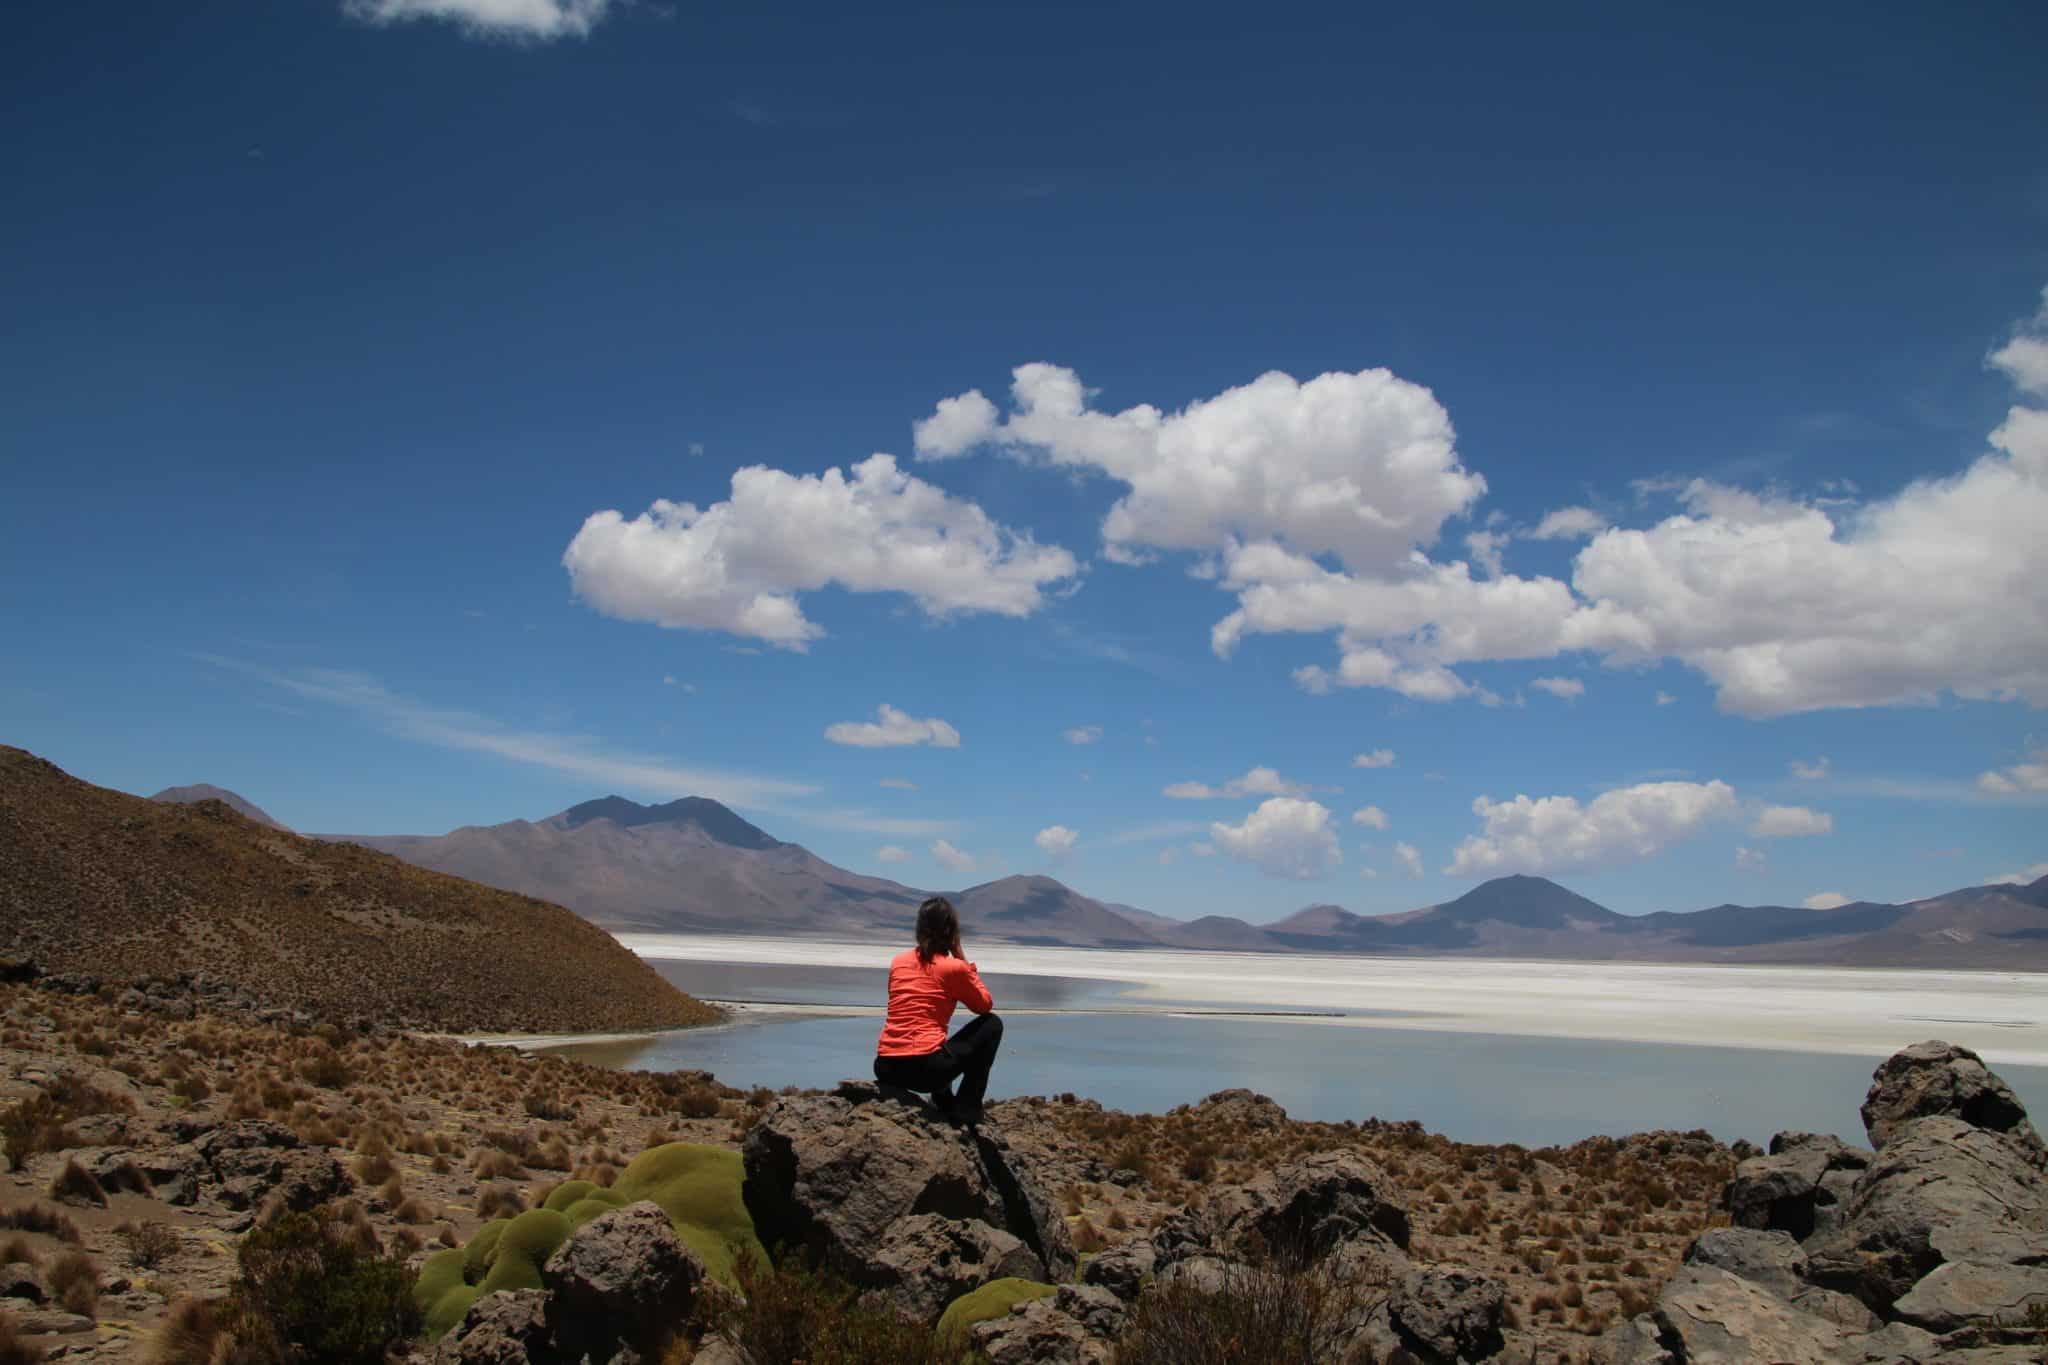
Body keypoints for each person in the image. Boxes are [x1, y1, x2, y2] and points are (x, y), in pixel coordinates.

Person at [874, 895, 1003, 1124]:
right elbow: (984, 1006)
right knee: (992, 1024)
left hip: (885, 1067)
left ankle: (944, 1100)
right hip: (925, 1072)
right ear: (951, 932)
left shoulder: (898, 962)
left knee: (935, 1041)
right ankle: (967, 1106)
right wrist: (962, 957)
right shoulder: (953, 968)